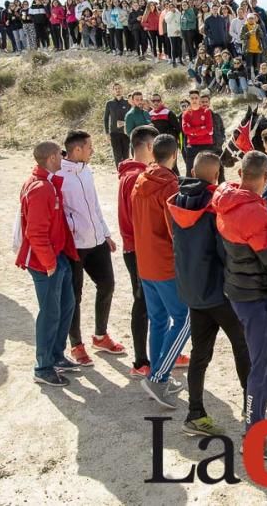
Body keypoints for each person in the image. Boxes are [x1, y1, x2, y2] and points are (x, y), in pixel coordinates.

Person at [167, 151, 250, 436]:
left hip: (192, 289)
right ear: (217, 175)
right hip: (218, 291)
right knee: (243, 344)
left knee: (200, 353)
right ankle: (250, 409)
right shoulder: (215, 205)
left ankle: (195, 412)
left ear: (191, 169)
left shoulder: (177, 201)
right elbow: (225, 251)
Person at [212, 152, 267, 454]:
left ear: (240, 171)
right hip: (257, 296)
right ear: (266, 177)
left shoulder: (226, 198)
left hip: (240, 290)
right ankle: (253, 431)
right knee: (262, 368)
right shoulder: (254, 213)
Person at [56, 130, 124, 366]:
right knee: (74, 296)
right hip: (74, 246)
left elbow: (94, 205)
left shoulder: (87, 171)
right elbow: (59, 213)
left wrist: (105, 234)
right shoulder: (59, 175)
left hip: (97, 241)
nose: (92, 150)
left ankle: (100, 336)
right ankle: (76, 344)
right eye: (89, 147)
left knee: (107, 285)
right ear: (76, 150)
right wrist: (72, 232)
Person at [16, 141, 80, 387]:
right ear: (53, 157)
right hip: (46, 262)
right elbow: (36, 231)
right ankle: (43, 366)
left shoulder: (47, 183)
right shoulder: (41, 188)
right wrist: (49, 262)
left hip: (56, 258)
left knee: (66, 306)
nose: (63, 158)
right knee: (50, 313)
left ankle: (56, 356)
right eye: (60, 155)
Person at [133, 134, 189, 406]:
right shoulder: (170, 185)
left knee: (158, 320)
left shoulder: (139, 180)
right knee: (184, 318)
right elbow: (174, 229)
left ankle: (159, 374)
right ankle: (158, 376)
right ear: (175, 154)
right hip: (165, 263)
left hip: (145, 261)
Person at [117, 125, 158, 378]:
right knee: (142, 303)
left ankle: (161, 353)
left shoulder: (133, 173)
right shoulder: (136, 177)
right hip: (139, 248)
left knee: (153, 303)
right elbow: (138, 218)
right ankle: (141, 360)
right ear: (150, 147)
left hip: (138, 247)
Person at [181, 91, 216, 176]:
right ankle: (190, 189)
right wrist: (201, 128)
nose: (194, 100)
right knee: (190, 172)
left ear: (199, 99)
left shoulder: (206, 111)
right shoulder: (186, 114)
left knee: (208, 170)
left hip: (206, 145)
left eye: (196, 98)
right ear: (189, 100)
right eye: (192, 98)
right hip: (192, 146)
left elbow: (209, 128)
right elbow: (186, 130)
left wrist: (193, 132)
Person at [104, 83, 131, 167]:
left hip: (126, 132)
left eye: (119, 88)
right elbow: (106, 119)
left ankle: (126, 174)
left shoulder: (127, 102)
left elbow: (131, 117)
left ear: (122, 90)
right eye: (115, 89)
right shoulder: (109, 103)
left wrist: (125, 123)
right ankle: (120, 174)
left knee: (126, 155)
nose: (117, 90)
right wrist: (107, 133)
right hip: (114, 133)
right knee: (117, 155)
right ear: (113, 91)